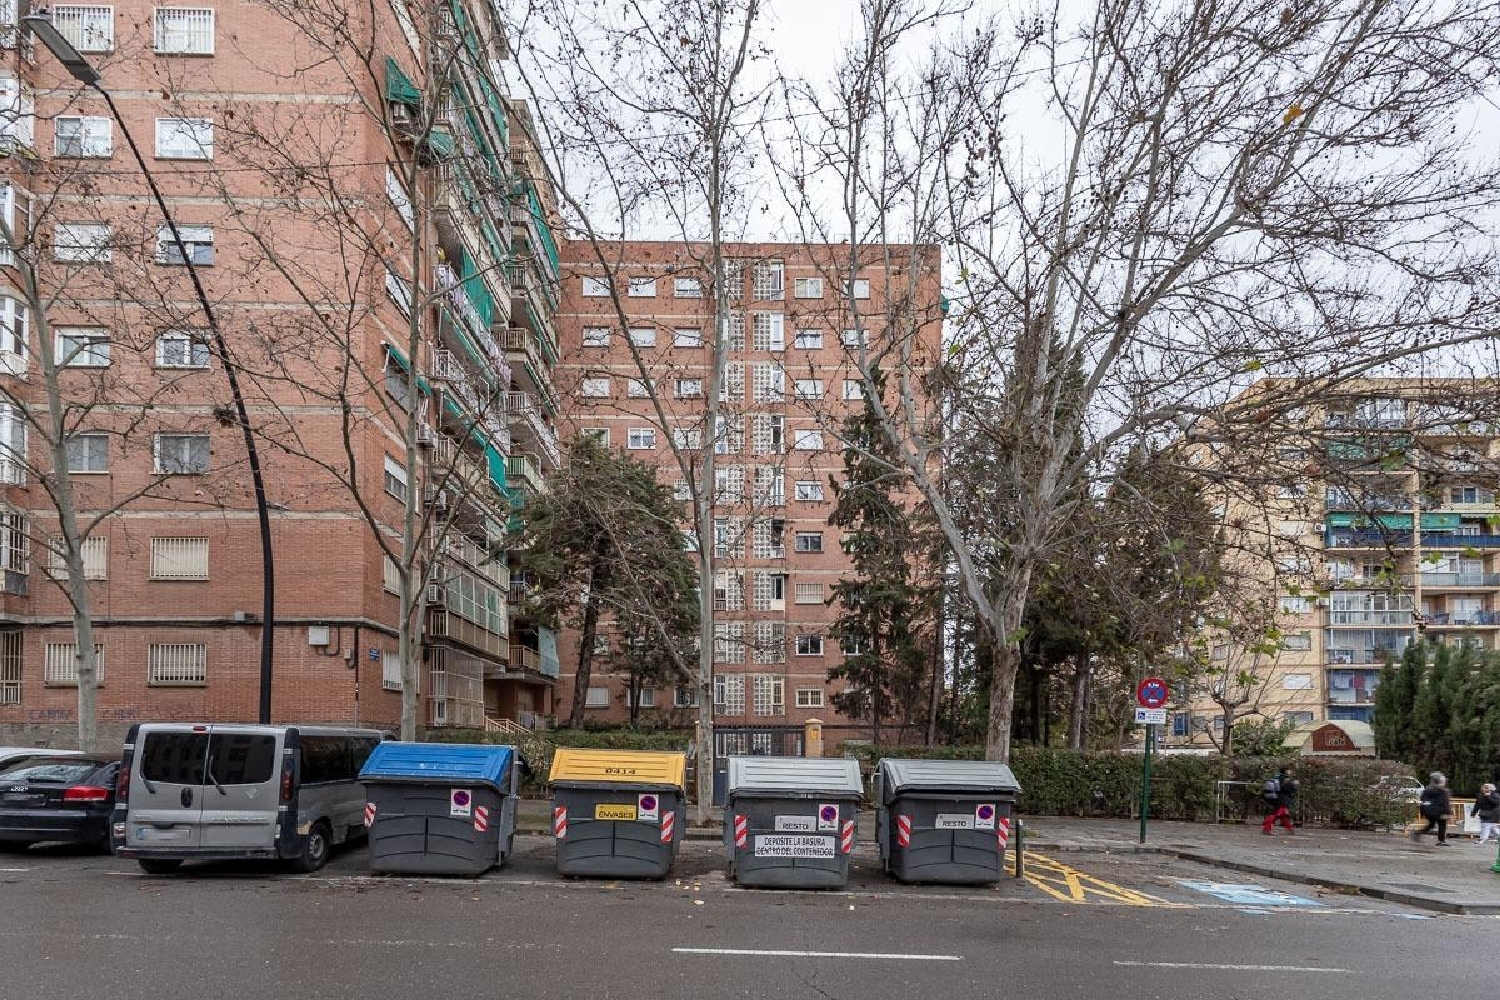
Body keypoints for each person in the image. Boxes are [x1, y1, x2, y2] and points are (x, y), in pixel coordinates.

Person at [1412, 772, 1452, 846]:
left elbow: (1445, 803)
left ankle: (1418, 833)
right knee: (1440, 825)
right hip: (1435, 812)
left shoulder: (1440, 791)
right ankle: (1441, 840)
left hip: (1436, 812)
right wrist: (1446, 813)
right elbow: (1427, 803)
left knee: (1433, 825)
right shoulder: (1436, 791)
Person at [1261, 767, 1298, 835]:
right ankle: (1266, 829)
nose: (1291, 771)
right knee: (1276, 814)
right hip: (1282, 800)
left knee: (1284, 815)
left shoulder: (1277, 777)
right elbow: (1289, 789)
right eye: (1289, 770)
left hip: (1276, 798)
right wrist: (1294, 785)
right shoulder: (1285, 779)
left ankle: (1289, 829)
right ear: (1286, 771)